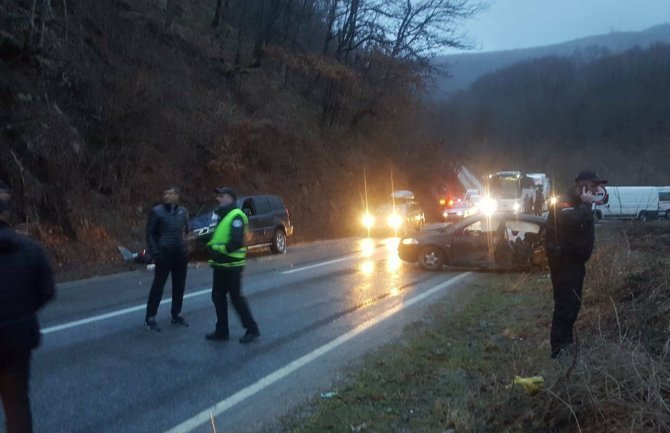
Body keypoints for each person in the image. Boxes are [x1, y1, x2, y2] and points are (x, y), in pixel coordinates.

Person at [0, 198, 55, 433]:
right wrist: (23, 311)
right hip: (18, 339)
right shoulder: (31, 249)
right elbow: (47, 291)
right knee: (17, 404)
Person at [544, 170, 607, 359]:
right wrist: (587, 206)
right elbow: (571, 220)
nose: (597, 189)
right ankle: (558, 351)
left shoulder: (581, 204)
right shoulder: (565, 201)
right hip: (564, 264)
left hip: (577, 264)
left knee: (574, 305)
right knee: (564, 306)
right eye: (594, 185)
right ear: (583, 186)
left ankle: (566, 343)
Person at [205, 187, 260, 344]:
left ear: (230, 198)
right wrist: (206, 242)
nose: (218, 199)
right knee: (218, 297)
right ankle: (222, 330)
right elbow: (218, 237)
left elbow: (236, 242)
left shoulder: (236, 216)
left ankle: (252, 328)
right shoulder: (222, 216)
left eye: (222, 196)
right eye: (218, 196)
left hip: (232, 265)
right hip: (220, 265)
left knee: (236, 298)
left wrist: (218, 251)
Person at [144, 186, 190, 331]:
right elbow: (150, 233)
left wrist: (186, 247)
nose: (167, 196)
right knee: (158, 285)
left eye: (170, 193)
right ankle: (150, 316)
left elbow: (187, 231)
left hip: (180, 254)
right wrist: (155, 252)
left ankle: (176, 313)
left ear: (177, 196)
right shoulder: (157, 211)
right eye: (165, 193)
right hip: (163, 254)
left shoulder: (183, 211)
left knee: (179, 285)